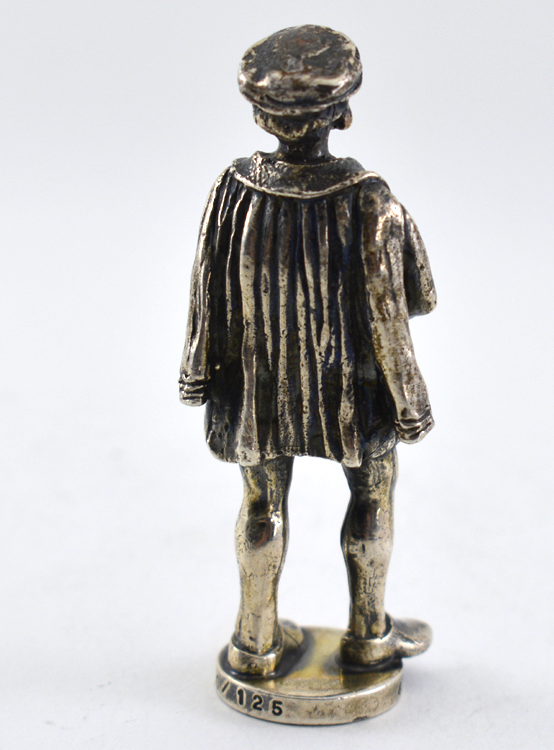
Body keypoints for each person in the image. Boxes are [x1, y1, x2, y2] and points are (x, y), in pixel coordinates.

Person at [180, 25, 437, 676]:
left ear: (260, 115)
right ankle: (370, 636)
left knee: (259, 503)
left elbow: (205, 293)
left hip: (256, 385)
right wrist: (410, 405)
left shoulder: (231, 189)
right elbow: (396, 311)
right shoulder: (370, 198)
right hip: (353, 390)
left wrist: (197, 373)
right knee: (374, 493)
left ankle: (255, 643)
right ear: (343, 114)